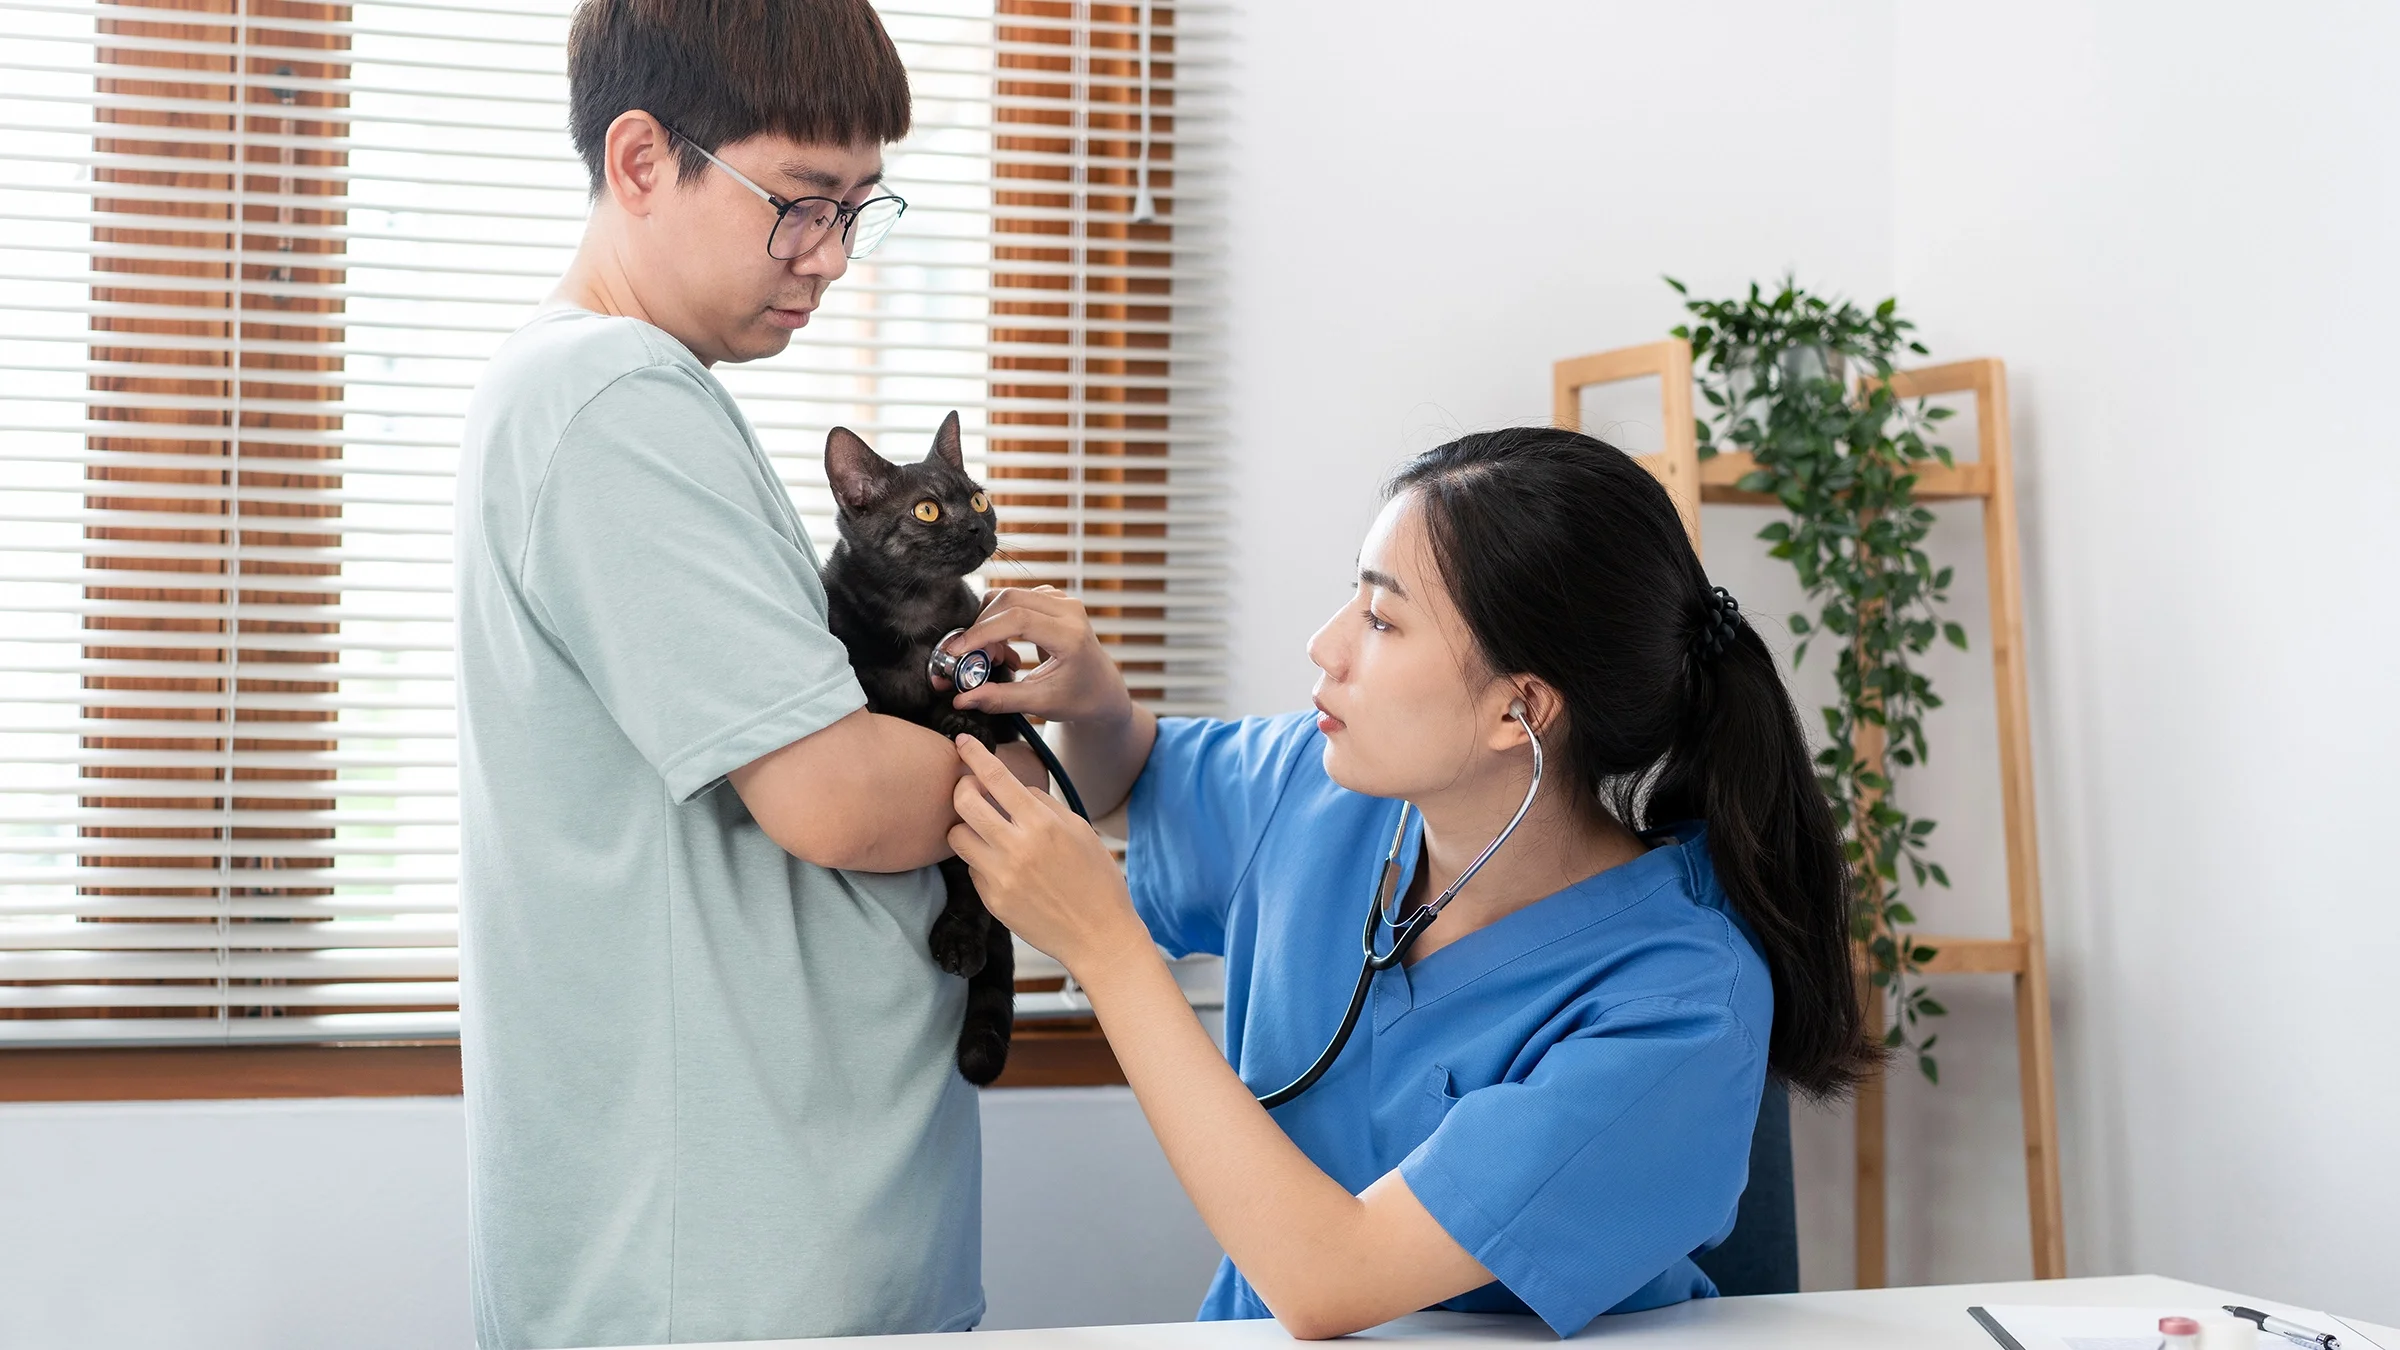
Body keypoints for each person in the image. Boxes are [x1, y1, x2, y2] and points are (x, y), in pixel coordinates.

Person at [940, 426, 1877, 1339]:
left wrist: (1108, 953)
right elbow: (1136, 779)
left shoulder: (1680, 1004)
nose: (1324, 645)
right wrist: (1100, 702)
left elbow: (1329, 1282)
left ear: (1522, 708)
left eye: (1381, 620)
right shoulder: (1320, 787)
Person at [454, 0, 1041, 1344]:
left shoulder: (609, 392)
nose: (830, 256)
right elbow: (838, 795)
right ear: (644, 160)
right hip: (730, 1258)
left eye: (859, 209)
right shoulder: (615, 399)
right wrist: (1016, 753)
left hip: (757, 1235)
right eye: (801, 201)